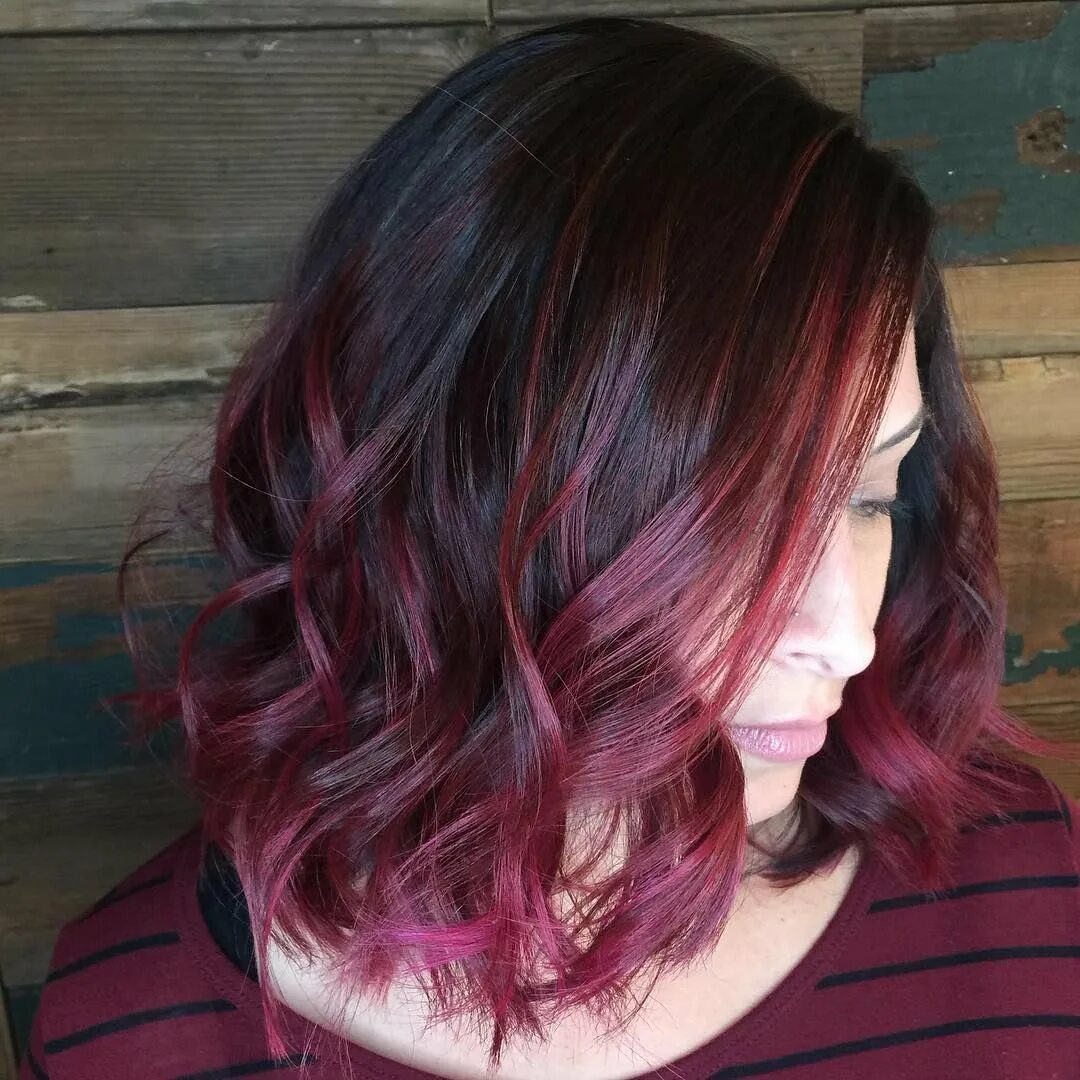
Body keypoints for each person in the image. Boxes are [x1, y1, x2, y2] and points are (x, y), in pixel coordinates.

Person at [19, 16, 1080, 1080]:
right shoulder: (128, 1027)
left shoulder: (1024, 883)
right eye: (730, 521)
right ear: (456, 508)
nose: (847, 637)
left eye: (870, 497)